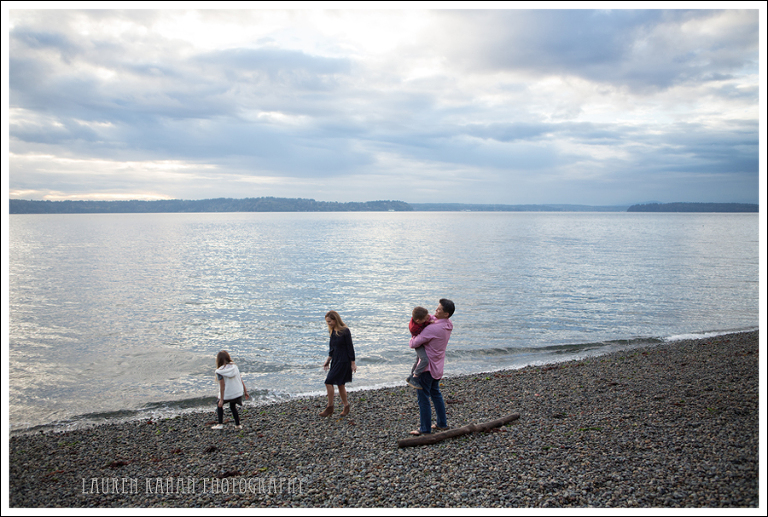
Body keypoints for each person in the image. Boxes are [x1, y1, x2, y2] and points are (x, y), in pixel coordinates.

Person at [408, 299, 455, 436]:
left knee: (423, 397)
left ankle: (425, 428)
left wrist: (411, 339)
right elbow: (432, 318)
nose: (435, 311)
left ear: (446, 314)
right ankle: (442, 423)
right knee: (435, 393)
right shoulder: (448, 324)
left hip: (427, 368)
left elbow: (414, 343)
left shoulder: (433, 328)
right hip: (438, 365)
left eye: (439, 309)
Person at [321, 310, 357, 417]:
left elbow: (350, 348)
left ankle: (330, 407)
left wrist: (353, 363)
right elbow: (332, 348)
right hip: (335, 360)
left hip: (344, 361)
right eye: (327, 322)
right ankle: (346, 406)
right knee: (340, 385)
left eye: (330, 321)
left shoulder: (345, 331)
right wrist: (328, 361)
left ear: (335, 319)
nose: (328, 323)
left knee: (328, 381)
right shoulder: (332, 331)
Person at [212, 350, 249, 430]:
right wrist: (245, 391)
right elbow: (240, 379)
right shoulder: (234, 367)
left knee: (219, 405)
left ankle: (220, 424)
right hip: (237, 393)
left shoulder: (220, 371)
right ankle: (238, 425)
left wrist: (221, 399)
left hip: (229, 394)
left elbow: (222, 386)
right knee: (232, 406)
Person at [406, 306, 436, 390]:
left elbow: (425, 319)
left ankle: (411, 376)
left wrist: (428, 320)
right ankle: (415, 377)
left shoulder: (418, 318)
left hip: (420, 341)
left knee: (418, 359)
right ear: (418, 321)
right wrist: (429, 323)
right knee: (424, 359)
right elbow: (423, 334)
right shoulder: (414, 328)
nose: (427, 318)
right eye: (425, 318)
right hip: (418, 343)